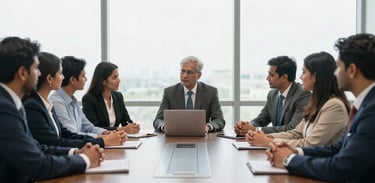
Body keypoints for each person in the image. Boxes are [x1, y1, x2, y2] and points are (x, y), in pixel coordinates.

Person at [266, 33, 375, 183]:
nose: (335, 73)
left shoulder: (371, 110)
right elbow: (336, 149)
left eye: (338, 67)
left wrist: (288, 159)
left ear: (352, 70)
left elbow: (340, 168)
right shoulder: (364, 105)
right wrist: (295, 151)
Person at [0, 37, 104, 182]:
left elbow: (37, 147)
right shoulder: (4, 109)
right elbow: (38, 165)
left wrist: (76, 152)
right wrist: (85, 159)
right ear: (23, 73)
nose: (39, 74)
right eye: (36, 68)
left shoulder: (12, 103)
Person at [246, 52, 349, 147]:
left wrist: (268, 142)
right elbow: (295, 133)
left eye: (304, 72)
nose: (300, 77)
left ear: (315, 76)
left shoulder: (334, 106)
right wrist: (265, 137)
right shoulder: (318, 103)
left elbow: (309, 143)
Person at [23, 52, 123, 148]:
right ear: (49, 79)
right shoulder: (46, 103)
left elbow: (70, 132)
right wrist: (103, 140)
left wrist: (106, 136)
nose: (62, 77)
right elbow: (56, 141)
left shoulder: (53, 103)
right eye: (60, 73)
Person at [49, 56, 126, 144]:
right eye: (83, 76)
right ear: (73, 80)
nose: (86, 79)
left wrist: (109, 133)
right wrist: (103, 139)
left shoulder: (73, 100)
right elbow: (71, 134)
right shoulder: (56, 102)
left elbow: (88, 127)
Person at [235, 56, 311, 135]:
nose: (267, 78)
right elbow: (261, 120)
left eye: (271, 75)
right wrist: (247, 127)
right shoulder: (272, 95)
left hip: (290, 145)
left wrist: (255, 129)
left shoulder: (303, 94)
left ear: (284, 77)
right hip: (273, 143)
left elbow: (292, 128)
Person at [153, 56, 225, 133]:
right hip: (176, 136)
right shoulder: (170, 92)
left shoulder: (210, 92)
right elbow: (158, 120)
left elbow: (219, 120)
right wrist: (164, 126)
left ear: (199, 75)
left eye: (189, 72)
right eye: (182, 71)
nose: (184, 76)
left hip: (201, 137)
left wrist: (208, 126)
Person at [82, 62, 140, 134]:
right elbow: (94, 128)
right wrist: (121, 129)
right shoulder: (89, 99)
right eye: (114, 77)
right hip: (99, 142)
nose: (119, 81)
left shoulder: (118, 97)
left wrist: (133, 127)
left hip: (116, 141)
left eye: (118, 77)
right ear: (103, 81)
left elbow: (126, 121)